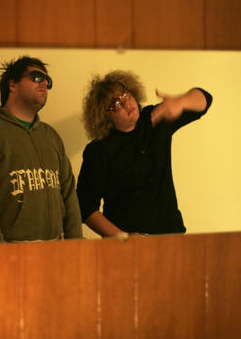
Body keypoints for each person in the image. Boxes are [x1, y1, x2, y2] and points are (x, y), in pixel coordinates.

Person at [0, 56, 82, 243]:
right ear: (13, 85)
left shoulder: (51, 136)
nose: (44, 84)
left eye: (48, 81)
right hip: (12, 250)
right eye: (36, 77)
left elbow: (69, 194)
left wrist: (76, 245)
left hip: (57, 248)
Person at [76, 70, 213, 237]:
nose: (126, 103)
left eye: (125, 94)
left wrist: (181, 101)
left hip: (172, 236)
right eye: (116, 104)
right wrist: (123, 238)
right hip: (126, 246)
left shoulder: (154, 119)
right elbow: (86, 207)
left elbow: (205, 99)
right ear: (104, 115)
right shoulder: (98, 151)